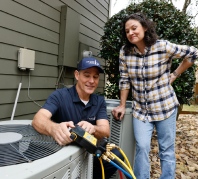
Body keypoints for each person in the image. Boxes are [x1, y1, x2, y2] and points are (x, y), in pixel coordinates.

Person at [111, 12, 198, 179]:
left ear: (144, 27)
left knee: (166, 149)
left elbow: (193, 53)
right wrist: (122, 104)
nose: (131, 33)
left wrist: (175, 74)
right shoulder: (125, 52)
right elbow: (124, 80)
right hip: (141, 111)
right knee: (142, 147)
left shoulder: (162, 47)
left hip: (165, 107)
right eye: (127, 30)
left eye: (134, 28)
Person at [32, 57, 122, 179]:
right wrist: (54, 129)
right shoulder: (60, 96)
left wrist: (94, 128)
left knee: (117, 156)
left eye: (95, 77)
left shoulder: (99, 101)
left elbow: (105, 131)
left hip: (88, 153)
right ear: (77, 75)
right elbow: (38, 119)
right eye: (87, 75)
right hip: (62, 154)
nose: (91, 81)